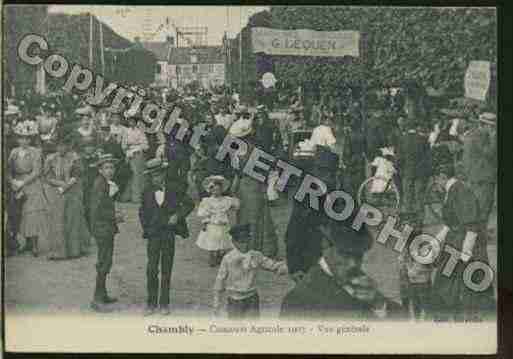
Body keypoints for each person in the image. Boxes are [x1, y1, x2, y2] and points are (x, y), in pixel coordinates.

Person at [280, 219, 404, 320]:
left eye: (358, 256)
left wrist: (379, 303)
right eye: (345, 255)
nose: (353, 264)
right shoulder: (298, 299)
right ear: (325, 245)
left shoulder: (363, 286)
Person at [430, 145, 495, 321]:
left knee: (458, 284)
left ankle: (464, 319)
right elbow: (450, 223)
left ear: (442, 177)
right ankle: (454, 316)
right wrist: (435, 241)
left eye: (436, 181)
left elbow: (472, 227)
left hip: (466, 245)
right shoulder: (453, 191)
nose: (436, 185)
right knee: (449, 283)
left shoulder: (460, 191)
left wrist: (465, 255)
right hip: (457, 242)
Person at [139, 159, 194, 316]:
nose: (157, 178)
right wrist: (147, 228)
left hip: (168, 234)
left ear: (164, 174)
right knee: (151, 269)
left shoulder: (174, 189)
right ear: (150, 177)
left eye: (159, 174)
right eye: (153, 175)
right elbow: (142, 212)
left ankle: (164, 303)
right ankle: (151, 303)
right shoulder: (147, 191)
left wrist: (178, 215)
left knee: (166, 268)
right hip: (154, 235)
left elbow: (189, 204)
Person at [213, 224, 288, 319]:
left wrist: (284, 267)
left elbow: (272, 265)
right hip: (234, 299)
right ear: (234, 242)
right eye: (240, 241)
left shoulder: (256, 256)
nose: (244, 244)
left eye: (246, 240)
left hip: (252, 297)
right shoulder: (228, 259)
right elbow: (220, 279)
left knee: (253, 324)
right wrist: (217, 301)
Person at [229, 117, 279, 258]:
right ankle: (262, 249)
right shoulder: (258, 150)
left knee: (246, 217)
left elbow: (236, 172)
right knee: (259, 217)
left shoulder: (237, 152)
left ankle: (248, 249)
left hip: (244, 186)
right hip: (257, 185)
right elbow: (270, 168)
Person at [44, 128, 91, 260]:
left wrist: (67, 185)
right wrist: (59, 184)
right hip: (57, 190)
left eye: (64, 145)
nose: (61, 148)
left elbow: (77, 174)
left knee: (73, 218)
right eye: (58, 145)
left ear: (68, 146)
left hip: (72, 190)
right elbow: (47, 176)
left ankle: (75, 249)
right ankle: (59, 250)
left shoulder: (74, 158)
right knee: (57, 219)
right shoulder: (50, 159)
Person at [7, 120, 49, 257]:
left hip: (32, 184)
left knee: (32, 214)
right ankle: (26, 242)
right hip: (16, 183)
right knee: (19, 214)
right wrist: (12, 181)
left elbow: (37, 171)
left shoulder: (35, 152)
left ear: (30, 139)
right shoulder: (14, 152)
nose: (23, 141)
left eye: (26, 138)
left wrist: (23, 182)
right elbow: (8, 169)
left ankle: (35, 245)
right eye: (21, 138)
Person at [89, 153, 122, 312]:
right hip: (102, 228)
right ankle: (97, 299)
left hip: (107, 227)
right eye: (106, 168)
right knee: (103, 262)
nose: (110, 170)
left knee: (106, 261)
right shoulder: (99, 184)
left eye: (112, 167)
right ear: (100, 170)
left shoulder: (107, 183)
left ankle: (103, 294)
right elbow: (96, 209)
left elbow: (107, 205)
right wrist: (114, 216)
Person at [460, 112, 497, 242]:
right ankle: (479, 236)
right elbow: (489, 153)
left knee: (475, 207)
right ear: (486, 125)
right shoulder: (482, 136)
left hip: (473, 176)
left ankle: (476, 234)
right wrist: (493, 138)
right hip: (483, 177)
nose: (494, 129)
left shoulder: (471, 134)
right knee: (484, 207)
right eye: (492, 127)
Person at [196, 176, 240, 267]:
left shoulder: (226, 200)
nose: (216, 192)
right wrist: (205, 222)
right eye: (214, 190)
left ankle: (220, 255)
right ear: (210, 190)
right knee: (212, 241)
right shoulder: (207, 201)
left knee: (222, 240)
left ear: (222, 190)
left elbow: (235, 205)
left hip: (223, 223)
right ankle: (212, 256)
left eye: (218, 190)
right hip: (212, 223)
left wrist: (232, 205)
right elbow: (205, 213)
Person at [398, 230, 434, 321]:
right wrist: (405, 265)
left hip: (422, 282)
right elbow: (401, 261)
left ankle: (427, 321)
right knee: (416, 305)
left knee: (425, 305)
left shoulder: (424, 250)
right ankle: (419, 322)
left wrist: (408, 268)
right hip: (414, 282)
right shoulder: (407, 249)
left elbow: (417, 268)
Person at [121, 115, 149, 203]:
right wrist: (127, 151)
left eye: (133, 121)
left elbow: (145, 145)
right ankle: (127, 196)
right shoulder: (126, 131)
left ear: (136, 122)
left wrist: (137, 148)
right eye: (130, 121)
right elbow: (123, 144)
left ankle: (136, 197)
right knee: (130, 175)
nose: (131, 123)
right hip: (129, 154)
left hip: (138, 155)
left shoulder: (140, 132)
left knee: (137, 176)